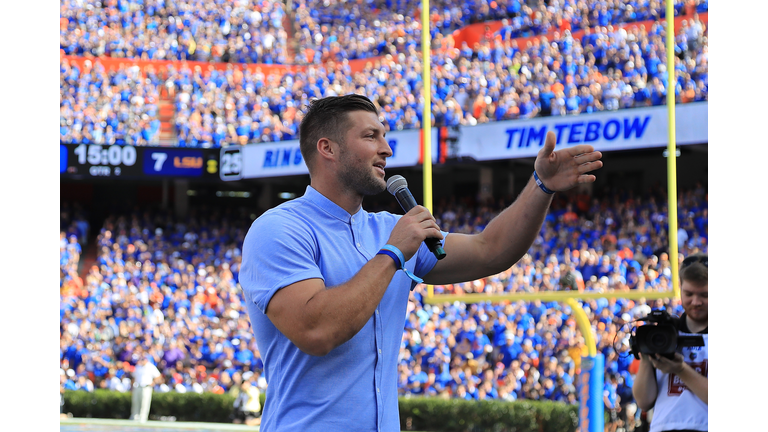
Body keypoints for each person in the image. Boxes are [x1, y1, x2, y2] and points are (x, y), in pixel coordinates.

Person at [239, 93, 603, 431]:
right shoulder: (278, 229)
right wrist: (393, 253)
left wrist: (541, 186)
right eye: (371, 136)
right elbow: (316, 332)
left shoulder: (387, 228)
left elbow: (490, 250)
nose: (386, 148)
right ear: (327, 148)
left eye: (384, 136)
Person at [632, 253, 708, 432]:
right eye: (689, 294)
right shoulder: (663, 333)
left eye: (705, 295)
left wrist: (680, 370)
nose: (695, 302)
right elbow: (644, 401)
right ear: (680, 289)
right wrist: (646, 356)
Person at [130, 354, 161, 423]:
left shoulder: (151, 367)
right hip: (137, 386)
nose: (142, 361)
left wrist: (153, 383)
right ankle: (134, 416)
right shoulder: (138, 366)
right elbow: (134, 377)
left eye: (143, 359)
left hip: (146, 387)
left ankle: (143, 417)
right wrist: (131, 387)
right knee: (136, 402)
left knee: (145, 403)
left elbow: (158, 376)